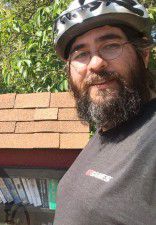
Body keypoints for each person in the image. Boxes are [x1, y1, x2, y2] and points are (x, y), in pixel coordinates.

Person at [52, 0, 156, 224]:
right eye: (81, 54)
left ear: (143, 55)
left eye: (111, 45)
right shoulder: (107, 130)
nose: (95, 64)